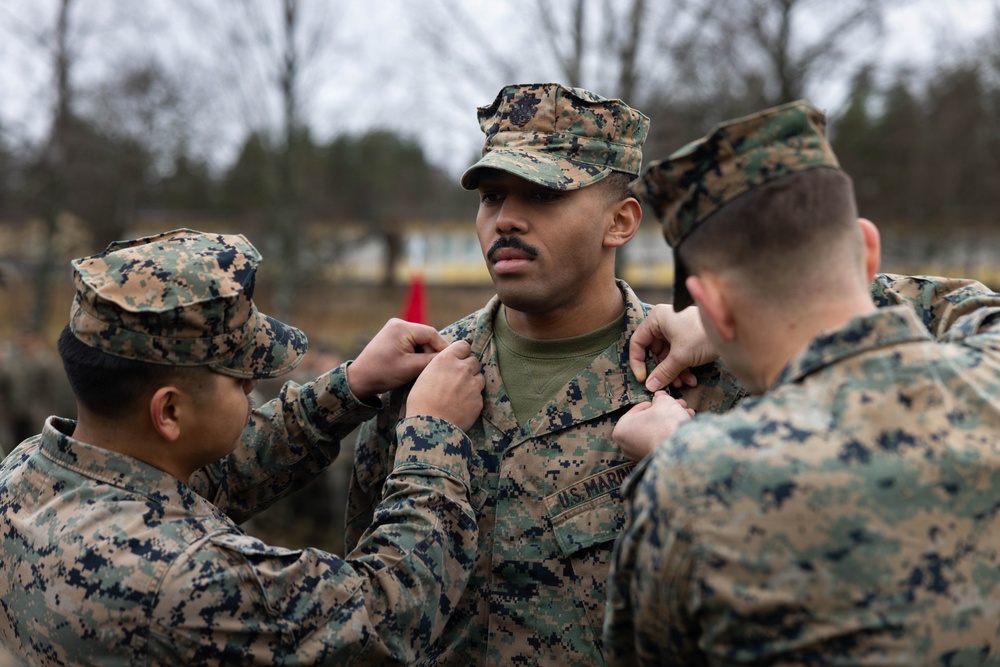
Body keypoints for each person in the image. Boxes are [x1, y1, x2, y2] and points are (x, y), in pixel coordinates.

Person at [344, 82, 745, 666]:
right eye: (491, 197)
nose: (506, 220)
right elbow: (372, 614)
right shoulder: (423, 380)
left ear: (621, 222)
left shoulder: (696, 384)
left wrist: (742, 324)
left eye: (542, 196)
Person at [604, 100, 1000, 665]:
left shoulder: (691, 483)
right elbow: (978, 307)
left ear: (712, 305)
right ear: (867, 250)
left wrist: (683, 454)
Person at [0, 228, 486, 665]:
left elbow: (219, 473)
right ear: (169, 412)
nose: (254, 382)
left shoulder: (25, 476)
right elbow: (385, 616)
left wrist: (351, 385)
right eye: (237, 379)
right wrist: (432, 435)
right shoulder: (188, 580)